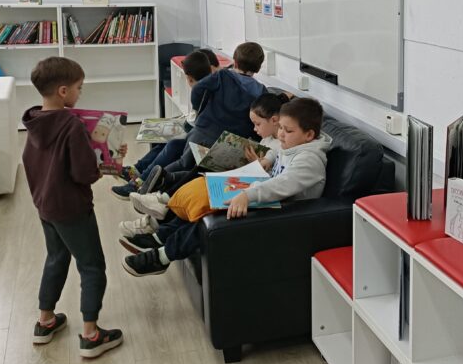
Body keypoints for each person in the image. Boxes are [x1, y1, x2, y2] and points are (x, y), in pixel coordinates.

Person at [119, 97, 331, 277]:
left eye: (288, 130)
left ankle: (162, 257)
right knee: (205, 191)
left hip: (286, 214)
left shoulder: (310, 160)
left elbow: (282, 184)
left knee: (217, 209)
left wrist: (246, 195)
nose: (281, 134)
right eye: (281, 128)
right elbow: (277, 150)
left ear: (309, 135)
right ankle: (162, 233)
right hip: (267, 196)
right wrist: (266, 160)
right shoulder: (294, 144)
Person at [22, 56, 123, 359]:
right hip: (72, 208)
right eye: (79, 87)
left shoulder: (35, 120)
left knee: (56, 257)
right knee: (92, 266)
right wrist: (109, 162)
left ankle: (45, 321)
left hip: (46, 206)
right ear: (63, 91)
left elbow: (31, 161)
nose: (81, 93)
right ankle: (91, 335)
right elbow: (84, 173)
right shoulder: (71, 125)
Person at [125, 90, 287, 225]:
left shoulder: (283, 144)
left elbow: (273, 174)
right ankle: (162, 192)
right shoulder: (267, 139)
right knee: (203, 165)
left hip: (254, 185)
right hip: (245, 175)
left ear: (274, 120)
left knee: (202, 174)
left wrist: (256, 164)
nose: (255, 129)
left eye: (257, 124)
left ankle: (163, 190)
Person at [141, 40, 267, 193]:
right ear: (259, 67)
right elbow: (259, 119)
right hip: (228, 143)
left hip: (203, 132)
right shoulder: (261, 91)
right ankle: (163, 192)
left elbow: (198, 89)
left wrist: (199, 110)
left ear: (235, 61)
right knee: (196, 172)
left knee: (183, 163)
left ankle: (148, 186)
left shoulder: (222, 76)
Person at [110, 47, 218, 200]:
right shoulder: (213, 86)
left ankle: (140, 182)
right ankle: (136, 171)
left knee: (172, 143)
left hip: (201, 138)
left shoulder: (205, 91)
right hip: (196, 131)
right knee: (166, 137)